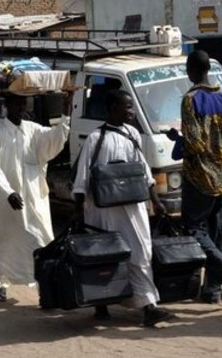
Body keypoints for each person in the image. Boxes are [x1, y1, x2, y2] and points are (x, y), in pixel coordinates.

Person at [72, 90, 175, 327]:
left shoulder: (133, 134)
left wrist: (156, 201)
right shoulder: (95, 138)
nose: (131, 112)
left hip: (133, 207)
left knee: (140, 253)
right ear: (112, 109)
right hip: (102, 211)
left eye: (131, 107)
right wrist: (78, 210)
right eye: (126, 107)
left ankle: (149, 306)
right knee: (104, 258)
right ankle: (101, 304)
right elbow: (82, 178)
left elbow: (143, 171)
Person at [165, 50, 222, 306]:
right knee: (216, 231)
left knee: (194, 228)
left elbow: (196, 143)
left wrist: (178, 140)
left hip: (199, 176)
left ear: (190, 71)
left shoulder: (190, 100)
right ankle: (212, 291)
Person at [0, 93, 72, 302]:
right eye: (15, 103)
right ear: (6, 105)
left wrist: (66, 113)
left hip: (33, 198)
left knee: (42, 238)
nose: (20, 107)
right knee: (3, 242)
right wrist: (9, 192)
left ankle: (45, 282)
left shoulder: (33, 130)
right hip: (6, 201)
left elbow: (54, 140)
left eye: (23, 103)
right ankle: (0, 285)